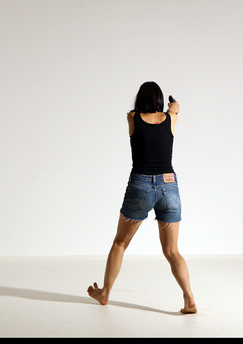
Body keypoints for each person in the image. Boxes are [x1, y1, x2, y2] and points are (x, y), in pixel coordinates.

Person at [87, 81, 197, 314]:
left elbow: (138, 115)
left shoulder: (133, 118)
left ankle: (105, 293)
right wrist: (173, 108)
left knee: (120, 243)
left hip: (141, 185)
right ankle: (189, 299)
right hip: (169, 186)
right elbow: (174, 111)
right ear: (159, 100)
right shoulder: (171, 119)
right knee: (172, 251)